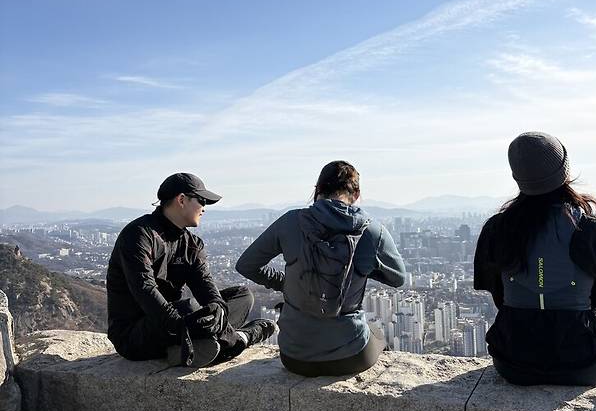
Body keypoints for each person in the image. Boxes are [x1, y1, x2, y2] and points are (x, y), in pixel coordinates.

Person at [235, 160, 406, 377]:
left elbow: (246, 265)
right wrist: (361, 266)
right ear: (356, 194)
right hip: (350, 357)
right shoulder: (371, 230)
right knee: (377, 334)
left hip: (294, 357)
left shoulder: (290, 222)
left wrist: (286, 283)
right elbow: (398, 278)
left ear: (317, 191)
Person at [474, 132, 596, 386]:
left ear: (517, 176)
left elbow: (499, 296)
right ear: (566, 171)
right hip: (581, 361)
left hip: (513, 360)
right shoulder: (595, 230)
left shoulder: (497, 229)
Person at [107, 172, 275, 366]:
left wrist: (217, 309)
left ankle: (192, 345)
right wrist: (184, 324)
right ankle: (242, 338)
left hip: (180, 324)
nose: (204, 209)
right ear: (181, 199)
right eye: (202, 201)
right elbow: (144, 289)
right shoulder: (139, 235)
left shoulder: (192, 244)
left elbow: (205, 285)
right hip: (134, 335)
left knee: (243, 295)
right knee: (189, 308)